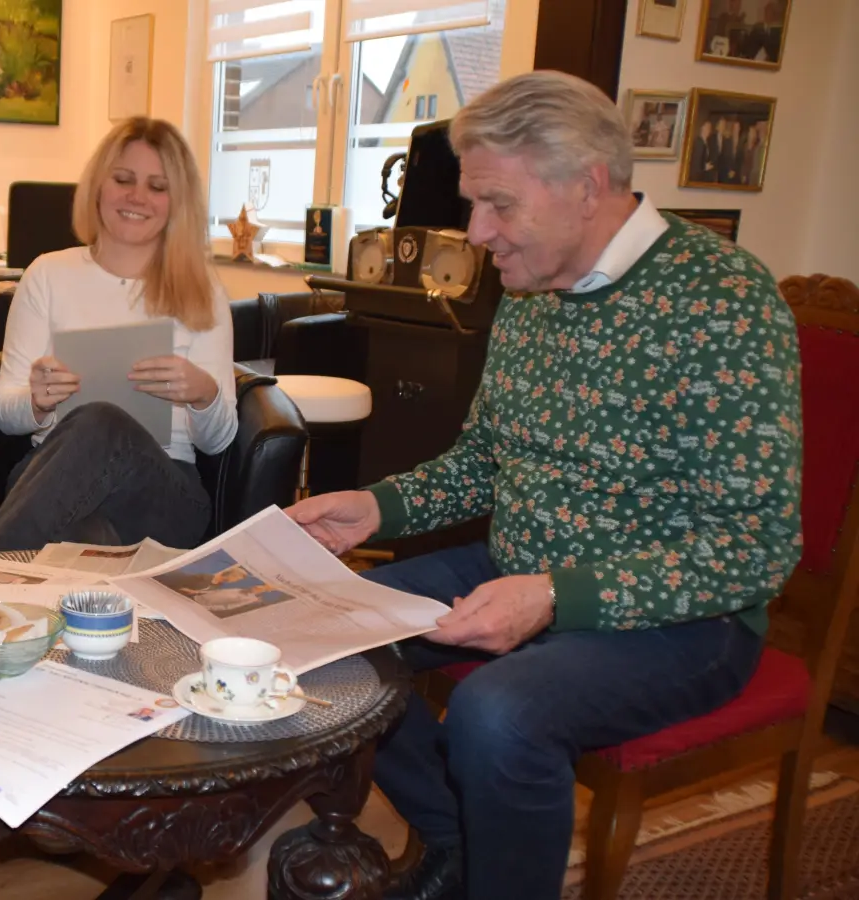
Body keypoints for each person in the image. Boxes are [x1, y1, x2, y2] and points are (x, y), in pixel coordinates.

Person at [287, 71, 801, 900]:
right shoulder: (531, 291)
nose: (477, 232)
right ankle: (457, 848)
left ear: (586, 185)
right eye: (472, 203)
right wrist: (377, 505)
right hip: (519, 566)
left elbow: (754, 549)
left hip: (682, 620)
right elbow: (486, 460)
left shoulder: (725, 301)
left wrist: (558, 597)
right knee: (316, 636)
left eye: (497, 204)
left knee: (499, 715)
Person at [0, 117, 238, 552]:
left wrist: (203, 393)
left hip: (163, 491)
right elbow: (4, 412)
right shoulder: (48, 274)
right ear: (99, 186)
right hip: (51, 479)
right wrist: (37, 402)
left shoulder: (201, 289)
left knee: (103, 421)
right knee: (82, 535)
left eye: (157, 186)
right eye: (123, 179)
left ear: (177, 202)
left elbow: (219, 440)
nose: (137, 197)